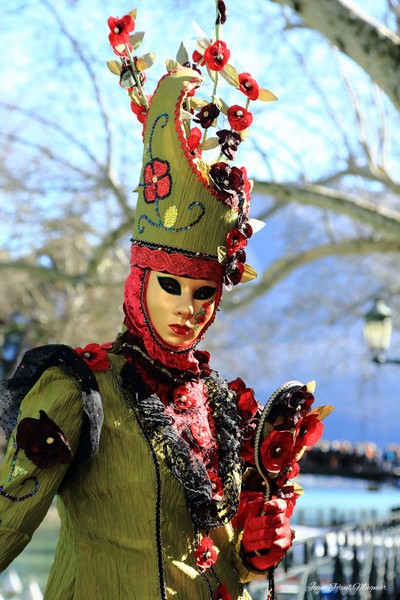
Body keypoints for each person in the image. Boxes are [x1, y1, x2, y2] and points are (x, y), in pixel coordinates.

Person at [0, 5, 297, 599]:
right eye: (170, 285)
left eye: (203, 292)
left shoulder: (214, 405)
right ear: (138, 282)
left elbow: (214, 563)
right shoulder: (77, 389)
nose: (187, 307)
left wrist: (255, 549)